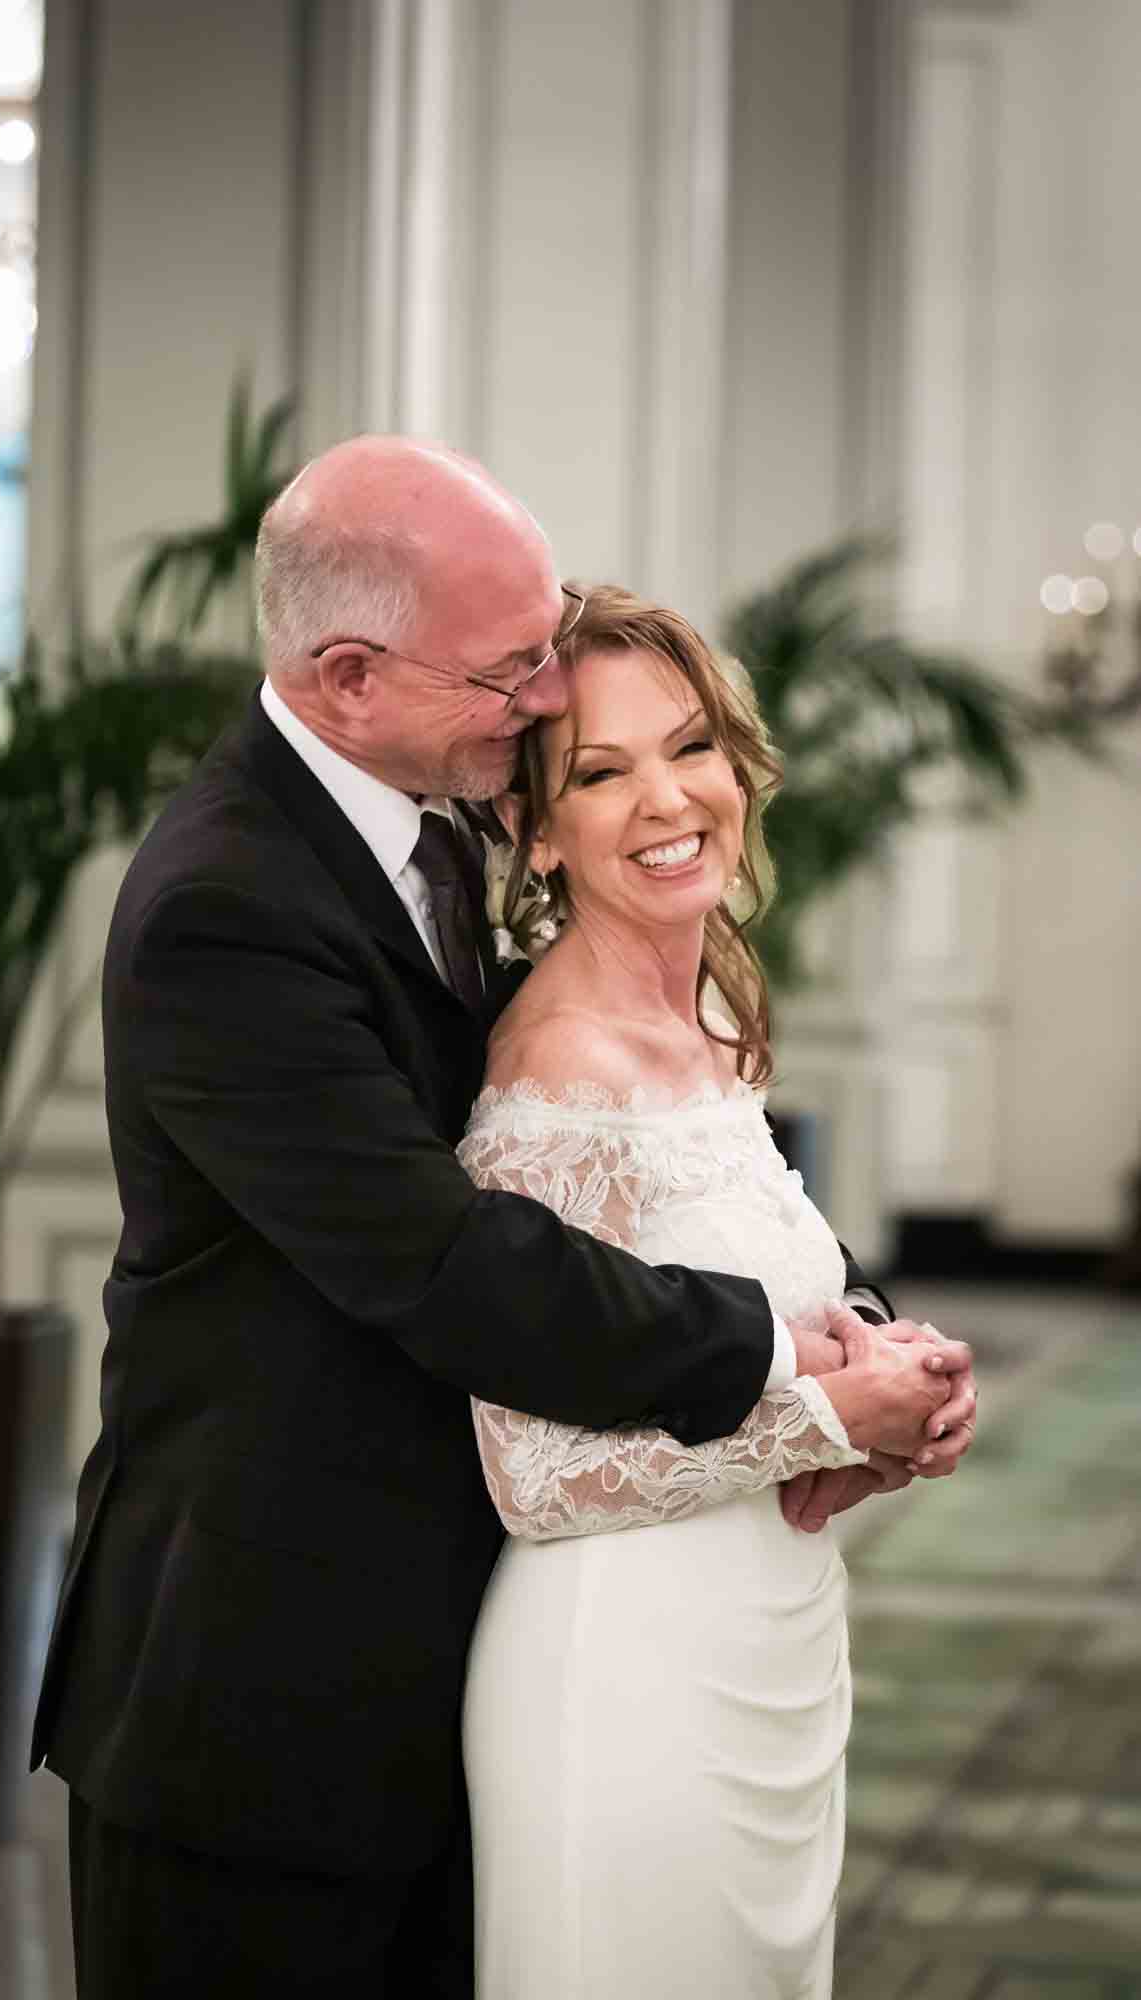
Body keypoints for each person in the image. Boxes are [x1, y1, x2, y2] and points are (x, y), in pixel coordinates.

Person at [30, 437, 975, 1998]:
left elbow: (658, 1186)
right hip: (264, 1690)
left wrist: (865, 1356)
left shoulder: (441, 829)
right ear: (344, 676)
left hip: (460, 1654)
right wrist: (791, 1380)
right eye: (509, 670)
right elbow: (446, 1261)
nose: (543, 700)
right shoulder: (224, 907)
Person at [458, 584, 960, 1997]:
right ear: (533, 829)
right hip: (622, 1667)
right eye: (600, 773)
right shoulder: (551, 1080)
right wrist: (826, 1419)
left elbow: (748, 1299)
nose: (667, 798)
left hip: (772, 1633)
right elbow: (535, 1477)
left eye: (689, 747)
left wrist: (900, 1376)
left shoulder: (712, 1014)